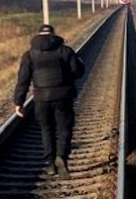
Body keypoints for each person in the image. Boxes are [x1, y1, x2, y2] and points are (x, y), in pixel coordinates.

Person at [13, 23, 85, 179]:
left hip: (41, 98)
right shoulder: (65, 51)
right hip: (63, 97)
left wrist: (19, 102)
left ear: (38, 35)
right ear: (53, 35)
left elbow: (23, 80)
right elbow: (78, 72)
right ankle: (62, 157)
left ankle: (50, 164)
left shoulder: (29, 55)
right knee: (64, 129)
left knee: (47, 130)